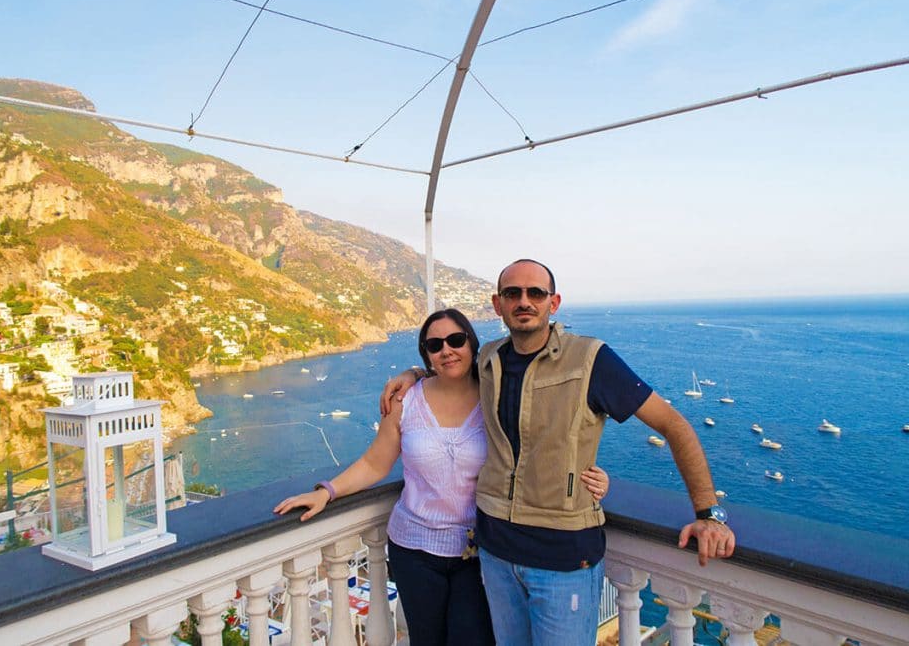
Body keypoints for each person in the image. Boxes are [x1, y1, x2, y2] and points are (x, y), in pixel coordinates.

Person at [381, 259, 736, 646]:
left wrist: (708, 514)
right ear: (497, 305)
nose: (524, 301)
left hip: (564, 560)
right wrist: (413, 375)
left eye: (536, 293)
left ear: (554, 302)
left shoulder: (590, 360)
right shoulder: (489, 360)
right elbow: (449, 367)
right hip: (496, 555)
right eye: (512, 293)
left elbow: (674, 425)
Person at [275, 308, 610, 646]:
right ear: (427, 354)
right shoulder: (406, 401)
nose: (446, 350)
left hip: (478, 552)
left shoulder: (496, 396)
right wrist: (327, 491)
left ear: (471, 344)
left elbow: (542, 446)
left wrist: (591, 476)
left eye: (456, 340)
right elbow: (375, 463)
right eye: (435, 345)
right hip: (413, 550)